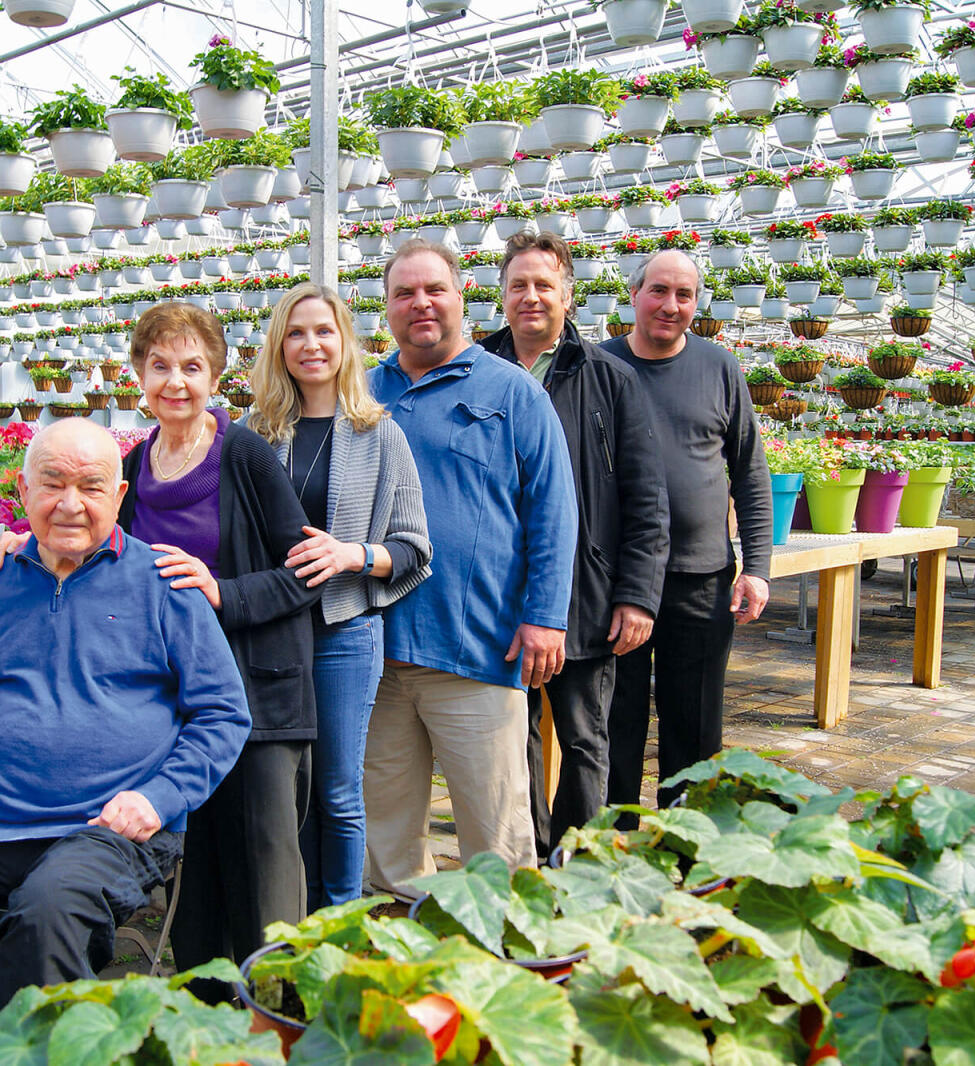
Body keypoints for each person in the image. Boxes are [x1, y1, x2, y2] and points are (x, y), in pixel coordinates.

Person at [0, 419, 250, 1066]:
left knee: (49, 910)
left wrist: (159, 797)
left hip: (108, 832)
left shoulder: (166, 585)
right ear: (22, 489)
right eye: (54, 483)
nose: (71, 503)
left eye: (92, 486)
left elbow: (223, 714)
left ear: (120, 495)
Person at [0, 302, 320, 974]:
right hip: (178, 706)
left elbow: (306, 573)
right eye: (161, 365)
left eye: (192, 366)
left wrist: (223, 589)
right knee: (194, 874)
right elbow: (102, 541)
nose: (176, 382)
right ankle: (205, 1010)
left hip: (257, 701)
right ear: (139, 372)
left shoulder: (243, 453)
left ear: (217, 375)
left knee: (265, 875)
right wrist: (27, 535)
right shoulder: (134, 467)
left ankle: (278, 1014)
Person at [365, 238, 578, 894]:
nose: (420, 304)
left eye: (434, 290)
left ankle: (509, 960)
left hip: (476, 648)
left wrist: (544, 617)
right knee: (387, 832)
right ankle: (398, 951)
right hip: (377, 651)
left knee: (496, 833)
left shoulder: (510, 391)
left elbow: (552, 509)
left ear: (462, 297)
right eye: (404, 293)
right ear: (387, 307)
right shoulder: (364, 390)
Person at [478, 231, 670, 857]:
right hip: (498, 594)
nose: (531, 296)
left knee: (587, 741)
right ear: (500, 296)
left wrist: (637, 596)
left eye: (544, 284)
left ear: (568, 294)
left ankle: (580, 861)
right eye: (518, 285)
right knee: (514, 739)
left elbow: (646, 499)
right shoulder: (474, 370)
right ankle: (528, 859)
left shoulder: (609, 380)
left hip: (584, 597)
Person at [250, 282, 434, 909]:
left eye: (324, 331)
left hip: (342, 636)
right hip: (270, 637)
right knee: (282, 790)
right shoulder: (256, 435)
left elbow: (415, 549)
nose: (311, 344)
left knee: (337, 790)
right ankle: (289, 916)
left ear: (345, 342)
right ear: (280, 346)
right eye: (296, 332)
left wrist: (351, 553)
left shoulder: (380, 434)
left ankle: (342, 917)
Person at [599, 249, 773, 808]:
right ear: (634, 295)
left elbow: (749, 471)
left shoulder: (718, 367)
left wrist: (758, 569)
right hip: (618, 582)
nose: (670, 306)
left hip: (702, 579)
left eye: (684, 295)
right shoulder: (600, 369)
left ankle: (688, 851)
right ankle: (614, 849)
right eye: (658, 291)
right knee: (613, 724)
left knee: (694, 728)